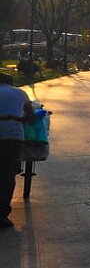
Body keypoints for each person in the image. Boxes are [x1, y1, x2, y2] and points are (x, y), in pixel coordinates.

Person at [0, 73, 35, 228]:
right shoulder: (20, 93)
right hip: (12, 137)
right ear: (11, 83)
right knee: (7, 175)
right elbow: (30, 116)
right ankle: (2, 214)